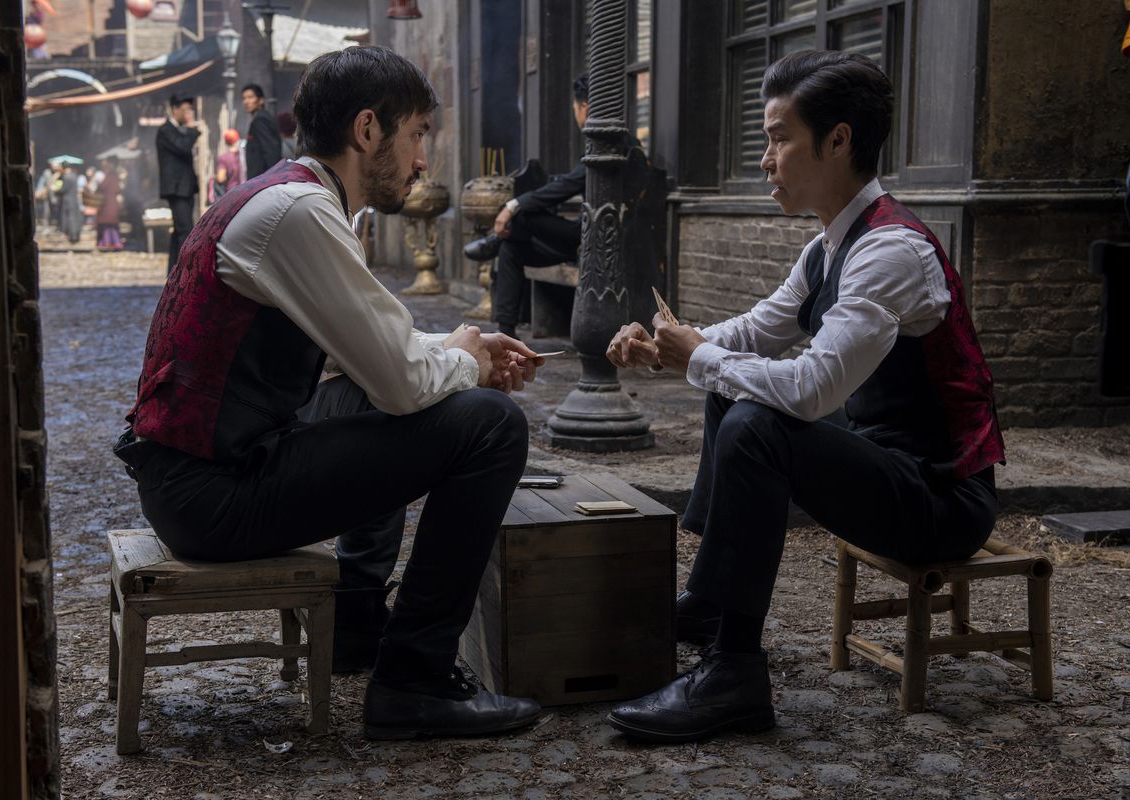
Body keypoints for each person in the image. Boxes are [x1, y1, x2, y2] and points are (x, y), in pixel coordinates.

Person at [114, 46, 547, 740]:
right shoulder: (298, 214)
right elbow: (405, 384)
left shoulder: (290, 197)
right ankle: (414, 680)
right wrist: (466, 365)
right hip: (211, 496)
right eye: (416, 137)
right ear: (368, 130)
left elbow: (378, 353)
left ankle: (353, 627)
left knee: (383, 392)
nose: (420, 161)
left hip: (202, 475)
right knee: (489, 425)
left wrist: (464, 349)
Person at [603, 50, 1005, 743]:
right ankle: (706, 603)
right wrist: (674, 345)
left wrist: (700, 356)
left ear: (839, 139)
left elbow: (813, 390)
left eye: (779, 136)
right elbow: (757, 332)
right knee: (733, 390)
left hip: (940, 499)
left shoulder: (890, 252)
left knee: (755, 418)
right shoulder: (827, 248)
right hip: (881, 466)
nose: (766, 157)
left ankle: (734, 674)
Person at [463, 73, 589, 340]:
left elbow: (566, 187)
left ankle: (495, 238)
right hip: (581, 236)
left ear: (584, 108)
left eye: (575, 108)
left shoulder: (605, 145)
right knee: (511, 249)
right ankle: (506, 332)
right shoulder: (596, 145)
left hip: (592, 240)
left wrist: (513, 205)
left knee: (520, 218)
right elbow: (565, 185)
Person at [156, 93, 201, 273]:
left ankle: (173, 272)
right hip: (176, 189)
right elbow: (182, 146)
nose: (189, 114)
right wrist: (192, 128)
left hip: (185, 188)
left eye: (191, 110)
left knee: (179, 230)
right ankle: (185, 272)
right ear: (175, 109)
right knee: (185, 230)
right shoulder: (166, 130)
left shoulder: (175, 130)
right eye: (186, 110)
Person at [242, 83, 282, 179]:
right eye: (244, 98)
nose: (246, 101)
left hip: (263, 180)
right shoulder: (259, 118)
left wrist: (272, 180)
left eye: (250, 97)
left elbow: (271, 152)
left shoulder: (261, 120)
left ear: (260, 100)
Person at [208, 128, 244, 204]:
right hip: (244, 191)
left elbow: (221, 178)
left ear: (226, 142)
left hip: (231, 194)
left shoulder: (224, 158)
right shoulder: (242, 156)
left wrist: (214, 177)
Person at [95, 157, 123, 250]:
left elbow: (102, 186)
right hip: (111, 202)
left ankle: (108, 243)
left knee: (107, 224)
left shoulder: (110, 175)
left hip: (108, 203)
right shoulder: (114, 175)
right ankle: (114, 242)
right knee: (111, 224)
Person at [58, 163, 83, 244]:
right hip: (74, 200)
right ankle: (75, 236)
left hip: (67, 201)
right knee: (74, 218)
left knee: (70, 219)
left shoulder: (67, 177)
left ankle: (72, 236)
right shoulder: (74, 176)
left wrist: (55, 190)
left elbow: (62, 189)